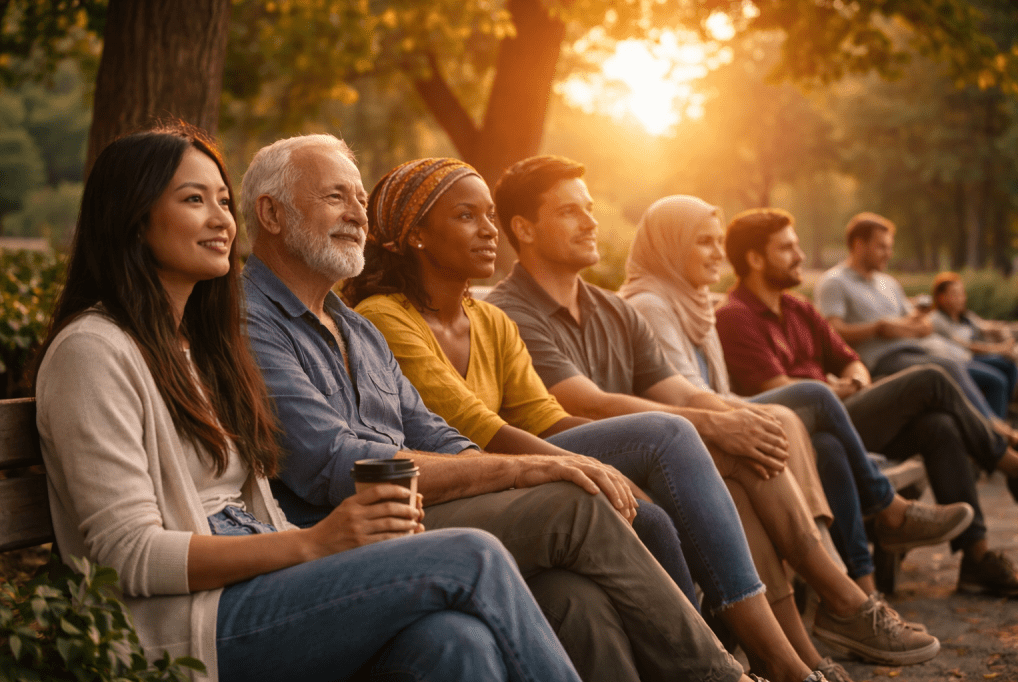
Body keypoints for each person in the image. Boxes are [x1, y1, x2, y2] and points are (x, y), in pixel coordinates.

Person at [32, 126, 585, 682]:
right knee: (471, 554)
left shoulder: (194, 347)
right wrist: (314, 543)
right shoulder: (93, 352)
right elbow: (126, 555)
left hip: (252, 585)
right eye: (194, 200)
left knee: (451, 641)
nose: (223, 218)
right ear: (132, 217)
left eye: (223, 200)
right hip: (177, 624)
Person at [239, 134, 762, 682]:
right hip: (349, 531)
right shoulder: (250, 322)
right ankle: (722, 675)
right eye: (334, 198)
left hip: (413, 512)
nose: (356, 215)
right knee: (573, 504)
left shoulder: (356, 328)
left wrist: (514, 471)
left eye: (360, 200)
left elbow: (436, 432)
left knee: (573, 597)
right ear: (271, 214)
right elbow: (334, 463)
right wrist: (519, 468)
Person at [345, 157, 835, 682]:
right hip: (461, 485)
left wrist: (596, 463)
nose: (490, 230)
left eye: (489, 214)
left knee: (654, 514)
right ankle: (760, 659)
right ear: (415, 234)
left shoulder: (491, 320)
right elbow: (474, 426)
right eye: (467, 216)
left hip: (513, 472)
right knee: (666, 435)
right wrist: (586, 466)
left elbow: (543, 416)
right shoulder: (384, 318)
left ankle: (749, 649)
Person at [486, 154, 941, 668]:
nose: (592, 221)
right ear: (523, 228)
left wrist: (729, 417)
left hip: (654, 464)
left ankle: (806, 659)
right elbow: (583, 401)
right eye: (571, 211)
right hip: (576, 469)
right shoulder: (511, 311)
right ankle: (840, 611)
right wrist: (713, 423)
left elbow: (678, 390)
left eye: (590, 208)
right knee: (725, 439)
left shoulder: (613, 308)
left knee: (747, 451)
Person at [618, 195, 973, 598]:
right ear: (670, 244)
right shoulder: (655, 305)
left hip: (768, 419)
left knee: (841, 441)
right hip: (692, 433)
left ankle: (860, 592)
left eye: (719, 241)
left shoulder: (697, 302)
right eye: (704, 241)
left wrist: (851, 380)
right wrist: (798, 399)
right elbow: (689, 394)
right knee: (894, 384)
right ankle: (884, 522)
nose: (718, 253)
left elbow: (843, 359)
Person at [713, 207, 1018, 598]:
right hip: (805, 425)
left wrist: (855, 379)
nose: (801, 256)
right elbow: (779, 390)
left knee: (938, 425)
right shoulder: (735, 317)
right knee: (931, 377)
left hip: (845, 414)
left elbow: (848, 358)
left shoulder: (798, 308)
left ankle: (976, 559)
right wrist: (833, 389)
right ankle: (1003, 459)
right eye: (788, 248)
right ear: (755, 259)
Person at [813, 212, 1017, 435]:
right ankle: (995, 432)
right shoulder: (834, 282)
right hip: (879, 362)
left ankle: (992, 431)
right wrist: (878, 328)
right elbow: (831, 331)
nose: (889, 254)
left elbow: (923, 323)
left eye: (889, 247)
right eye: (881, 247)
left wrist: (910, 326)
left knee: (981, 373)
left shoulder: (888, 283)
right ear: (859, 245)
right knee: (947, 368)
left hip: (916, 351)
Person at [930, 272, 1018, 418]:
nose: (961, 298)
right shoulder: (937, 320)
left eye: (962, 293)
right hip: (958, 362)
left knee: (1009, 365)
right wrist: (999, 349)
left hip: (972, 358)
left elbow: (986, 326)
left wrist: (1005, 332)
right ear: (941, 297)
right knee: (997, 380)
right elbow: (966, 346)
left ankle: (1002, 410)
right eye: (955, 294)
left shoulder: (966, 317)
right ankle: (995, 428)